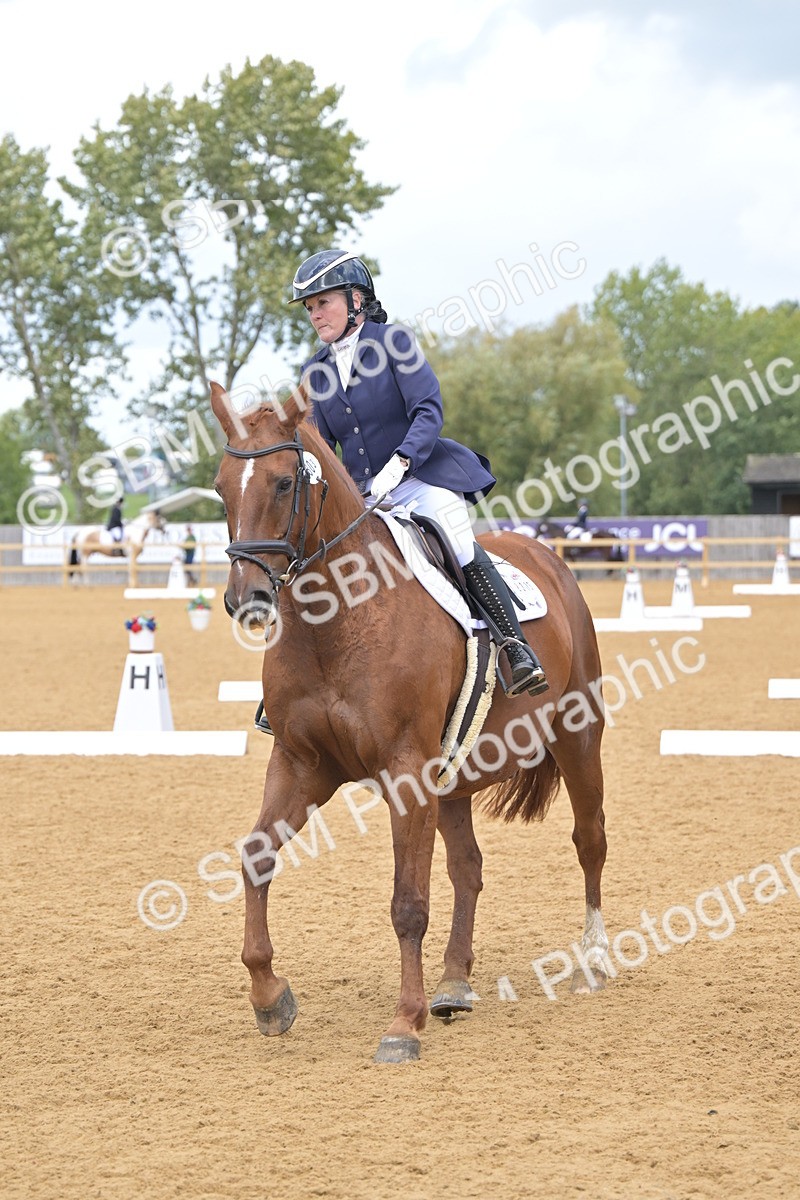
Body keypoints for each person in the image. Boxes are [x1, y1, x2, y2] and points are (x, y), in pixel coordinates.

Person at [291, 248, 549, 699]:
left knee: (458, 539)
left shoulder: (394, 343)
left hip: (420, 479)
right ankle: (295, 678)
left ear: (355, 300)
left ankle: (515, 647)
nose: (315, 314)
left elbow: (428, 410)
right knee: (310, 558)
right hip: (361, 497)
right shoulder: (315, 370)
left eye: (323, 302)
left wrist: (402, 460)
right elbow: (316, 443)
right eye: (310, 308)